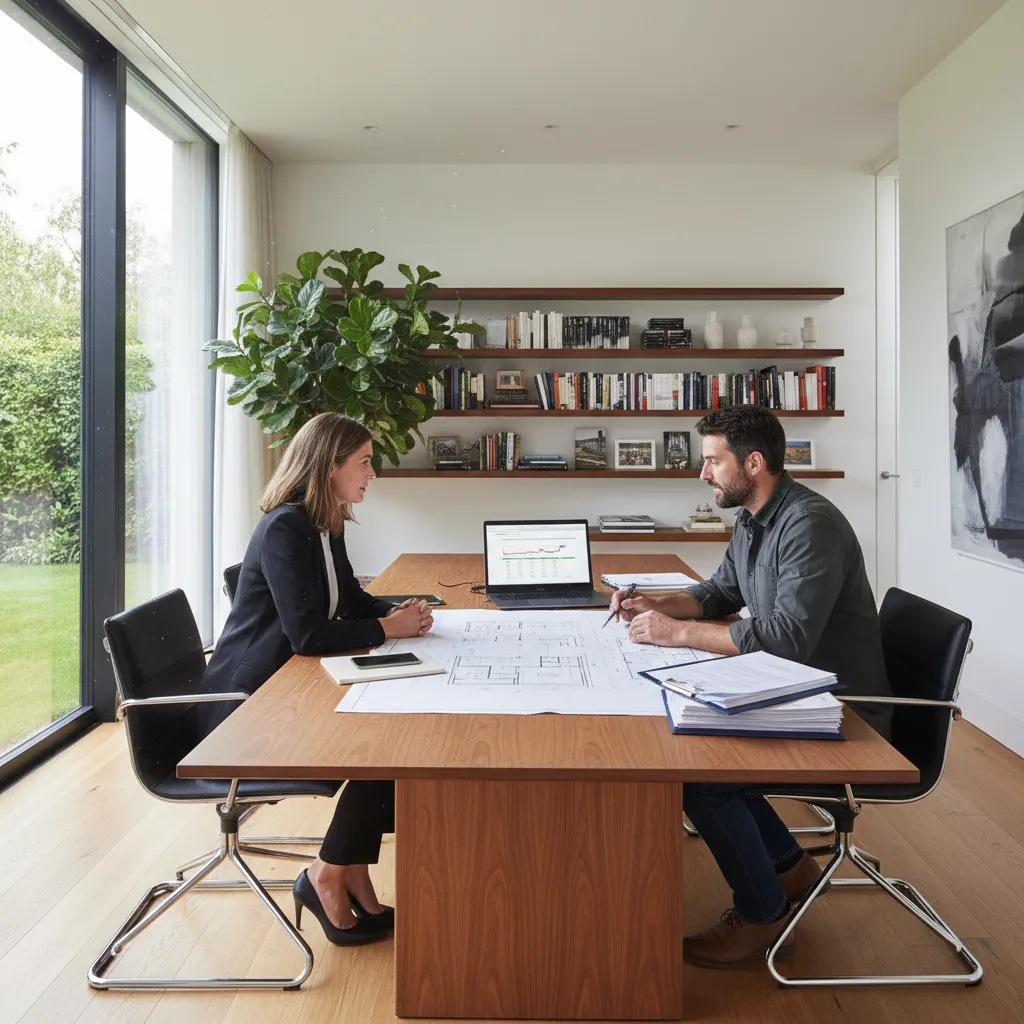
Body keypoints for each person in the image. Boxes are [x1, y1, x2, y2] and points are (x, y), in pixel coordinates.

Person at [610, 405, 892, 969]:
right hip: (788, 694)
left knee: (702, 777)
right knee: (695, 757)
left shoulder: (810, 524)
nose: (703, 473)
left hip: (841, 714)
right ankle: (791, 869)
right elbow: (718, 593)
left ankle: (762, 914)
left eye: (712, 460)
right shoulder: (754, 517)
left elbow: (786, 637)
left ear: (753, 462)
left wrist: (678, 633)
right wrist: (655, 605)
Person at [204, 412, 433, 946]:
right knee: (388, 748)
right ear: (329, 466)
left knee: (397, 736)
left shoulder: (326, 522)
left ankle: (350, 872)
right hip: (248, 704)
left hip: (293, 684)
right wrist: (386, 627)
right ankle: (326, 875)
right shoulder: (285, 526)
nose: (372, 473)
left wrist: (403, 611)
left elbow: (348, 601)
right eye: (364, 461)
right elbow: (306, 634)